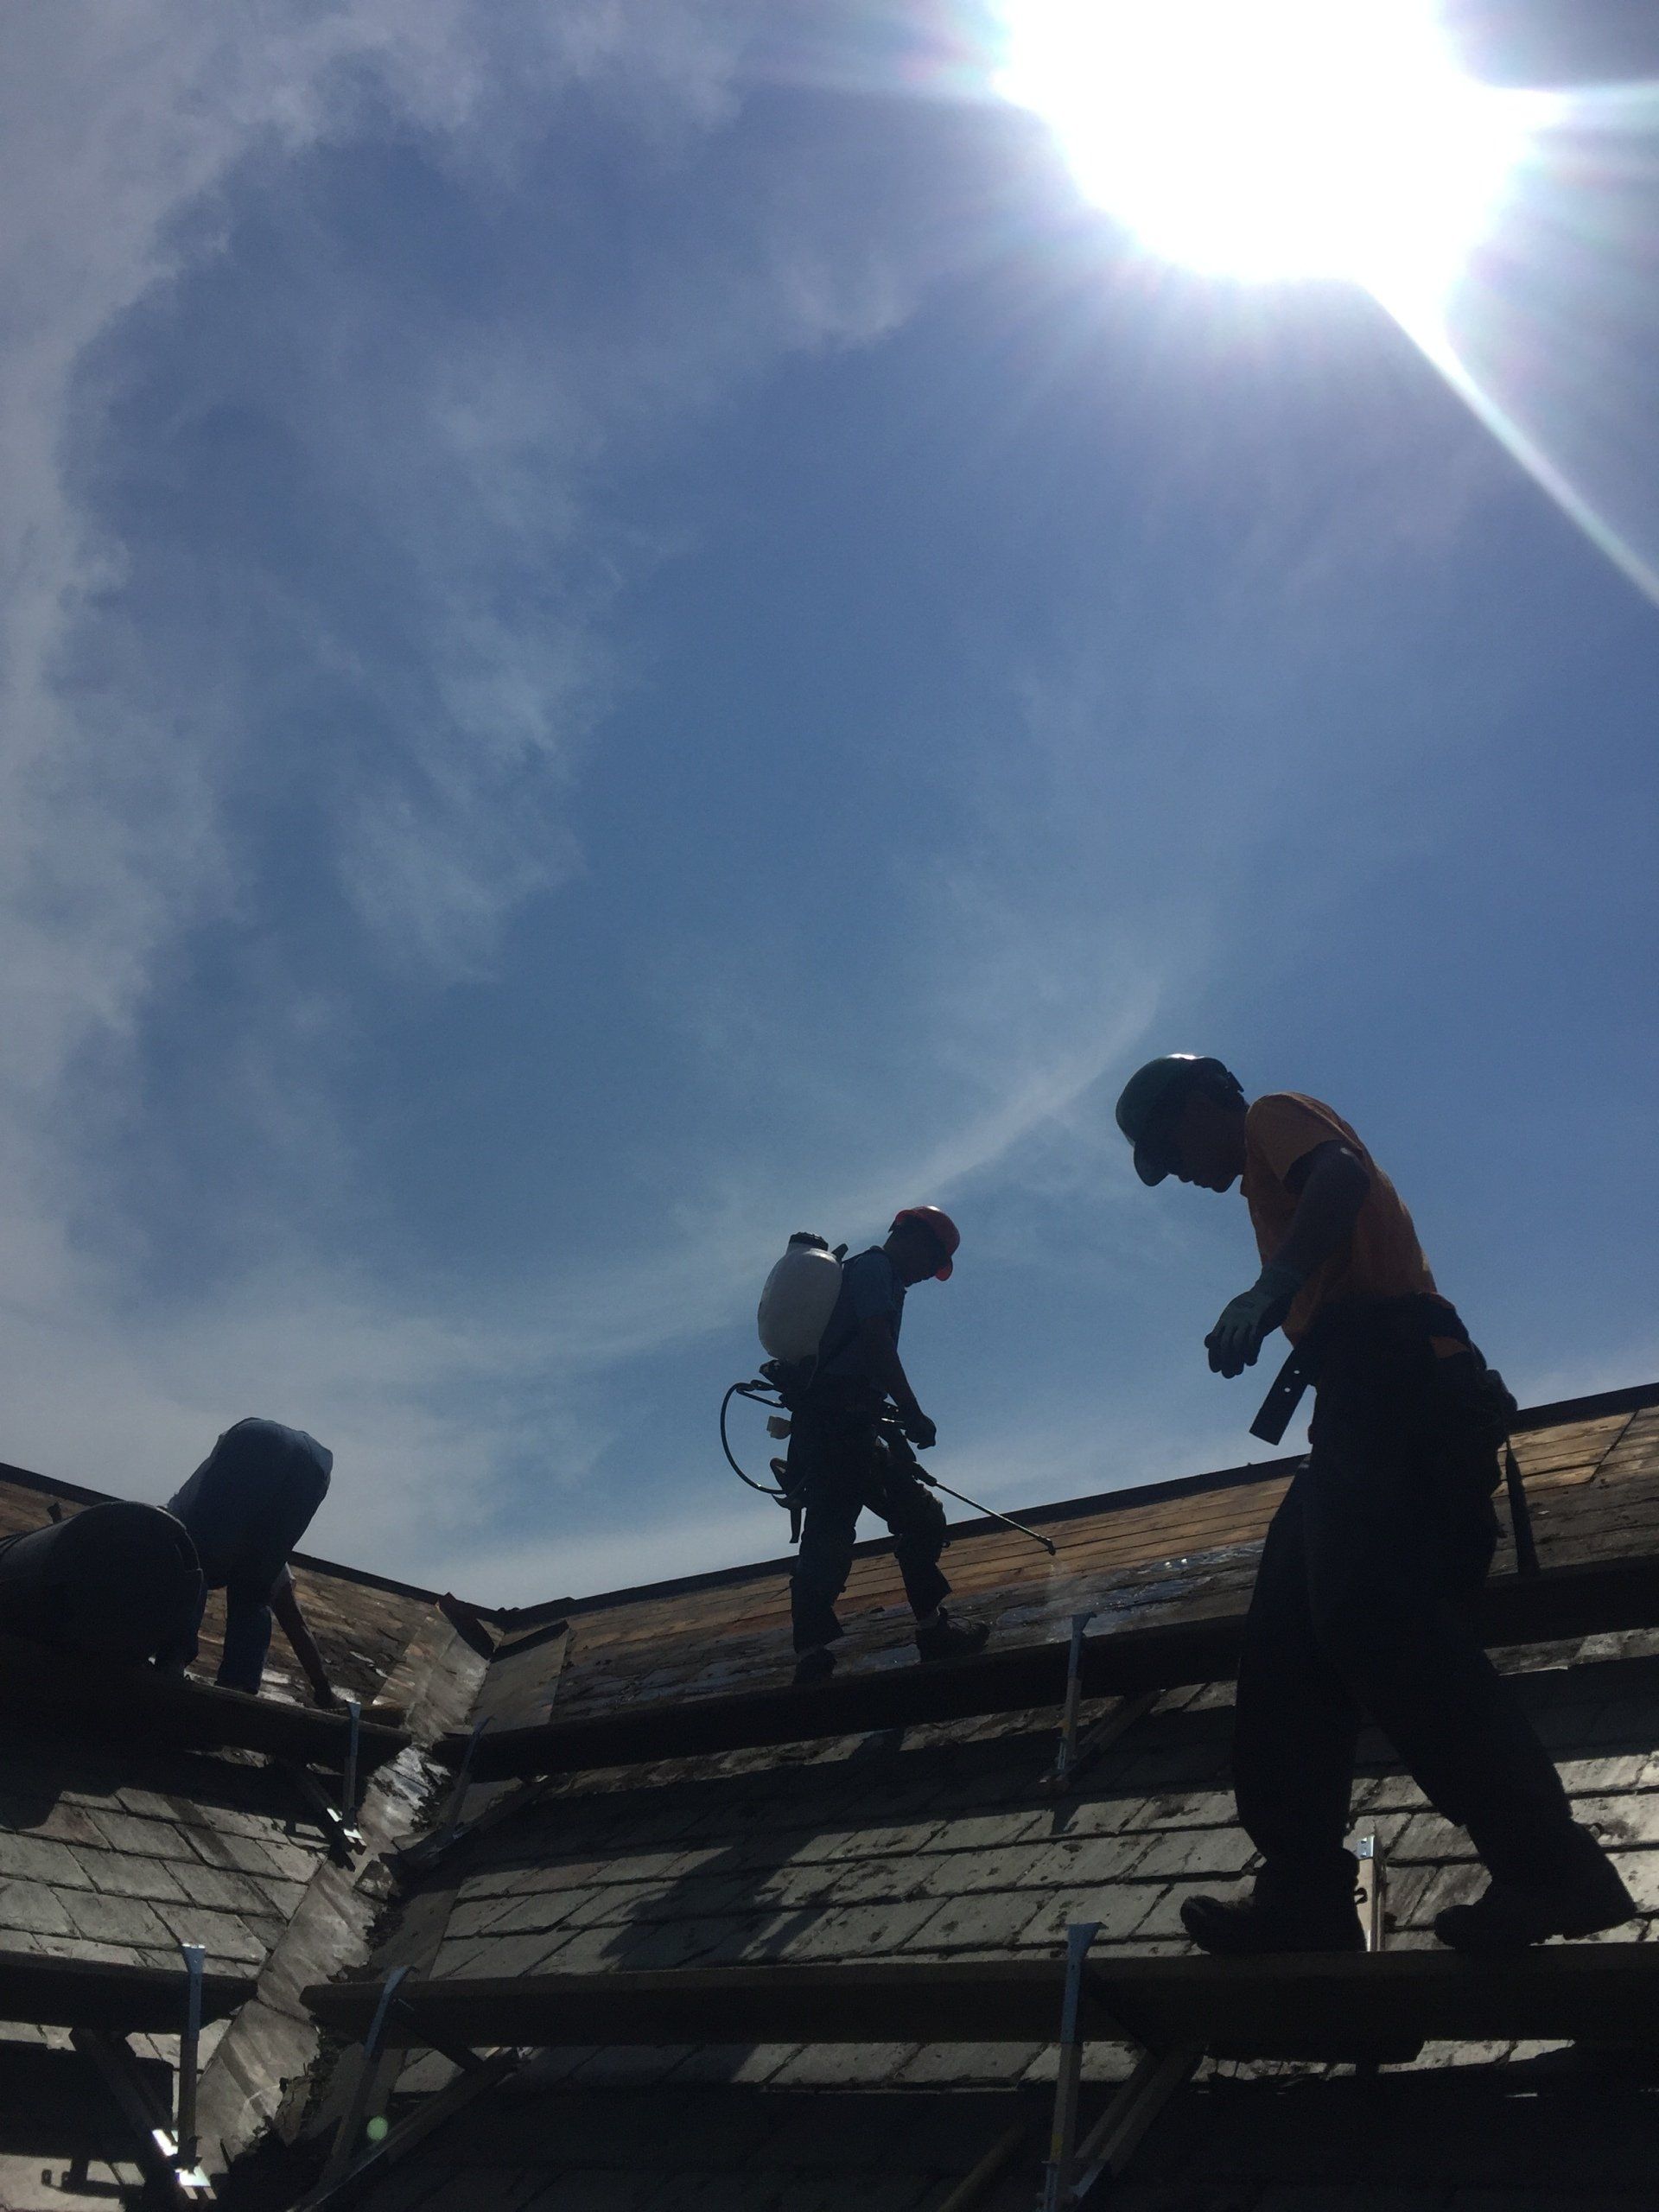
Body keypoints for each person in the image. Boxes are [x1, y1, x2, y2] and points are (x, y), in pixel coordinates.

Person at [1113, 1055, 1633, 1955]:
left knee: (1371, 1613)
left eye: (1171, 1145)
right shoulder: (1259, 1190)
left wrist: (1271, 1288)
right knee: (1285, 1642)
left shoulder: (1275, 1114)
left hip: (1408, 1392)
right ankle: (1306, 1894)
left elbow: (1343, 1178)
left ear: (1204, 1103)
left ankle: (1553, 1866)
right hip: (1355, 1409)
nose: (1183, 1173)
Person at [788, 1206, 989, 1687]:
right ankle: (813, 1660)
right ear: (915, 1241)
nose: (928, 1275)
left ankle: (923, 1631)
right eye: (933, 1261)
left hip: (844, 1425)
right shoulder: (877, 1269)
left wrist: (897, 1438)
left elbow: (864, 1370)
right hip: (838, 1430)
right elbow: (877, 1344)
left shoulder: (875, 1274)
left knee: (907, 1519)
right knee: (830, 1537)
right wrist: (913, 1410)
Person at [160, 1417, 339, 1704]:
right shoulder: (263, 1556)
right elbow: (294, 1621)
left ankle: (172, 1662)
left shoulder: (176, 1528)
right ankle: (239, 1686)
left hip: (256, 1440)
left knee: (197, 1565)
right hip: (315, 1464)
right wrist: (322, 1688)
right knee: (253, 1594)